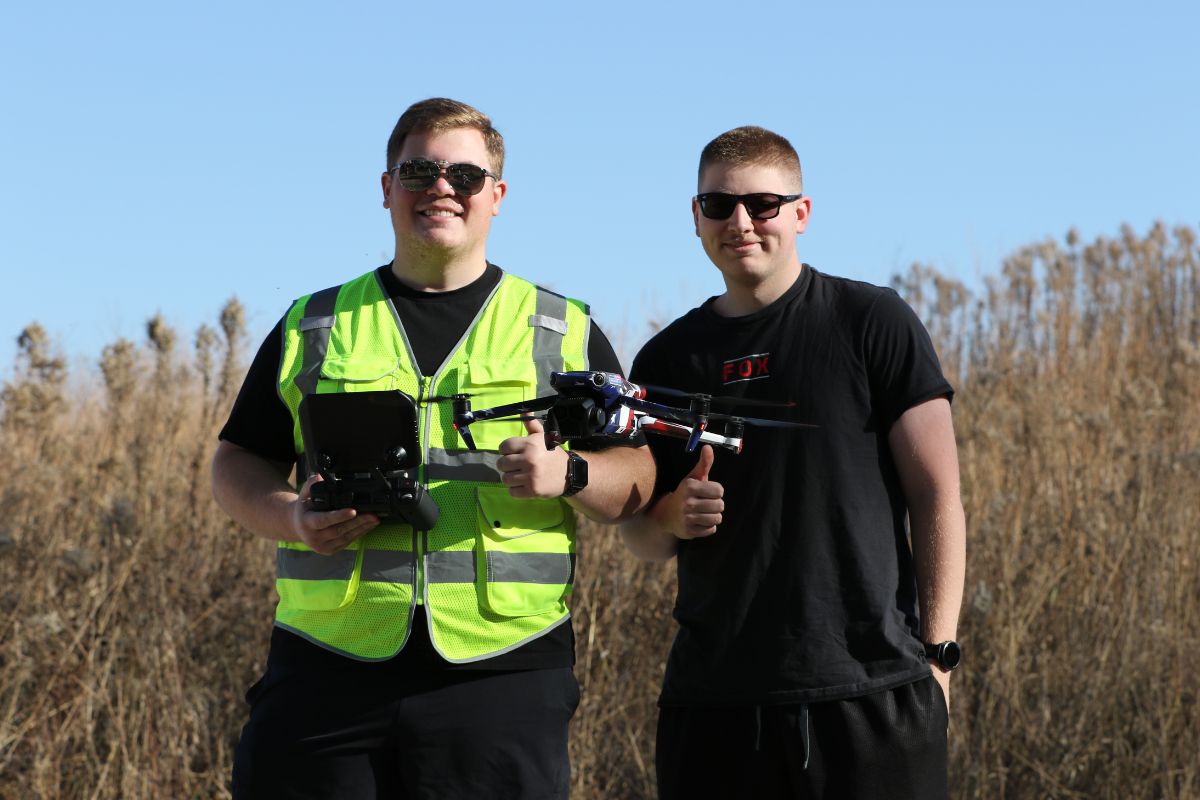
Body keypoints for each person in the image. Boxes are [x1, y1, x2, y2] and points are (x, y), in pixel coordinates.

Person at [211, 97, 654, 799]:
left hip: (502, 675)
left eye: (466, 176)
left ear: (497, 196)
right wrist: (290, 518)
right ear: (387, 188)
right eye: (418, 170)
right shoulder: (313, 324)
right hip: (327, 665)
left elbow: (637, 476)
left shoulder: (563, 330)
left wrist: (566, 473)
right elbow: (237, 460)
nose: (441, 188)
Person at [621, 126, 966, 799]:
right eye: (719, 206)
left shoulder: (872, 320)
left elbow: (939, 497)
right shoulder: (665, 361)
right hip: (713, 707)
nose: (741, 223)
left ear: (801, 213)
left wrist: (940, 657)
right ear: (696, 218)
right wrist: (667, 515)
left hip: (872, 694)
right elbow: (642, 538)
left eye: (764, 204)